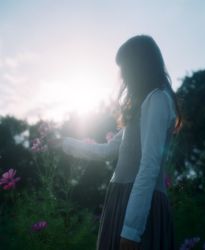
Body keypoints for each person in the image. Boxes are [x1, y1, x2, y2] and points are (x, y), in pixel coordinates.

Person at [51, 35, 182, 250]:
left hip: (139, 206)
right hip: (121, 199)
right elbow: (109, 150)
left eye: (125, 68)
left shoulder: (157, 100)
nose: (122, 76)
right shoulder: (143, 104)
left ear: (139, 66)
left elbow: (149, 166)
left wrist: (131, 230)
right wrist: (65, 143)